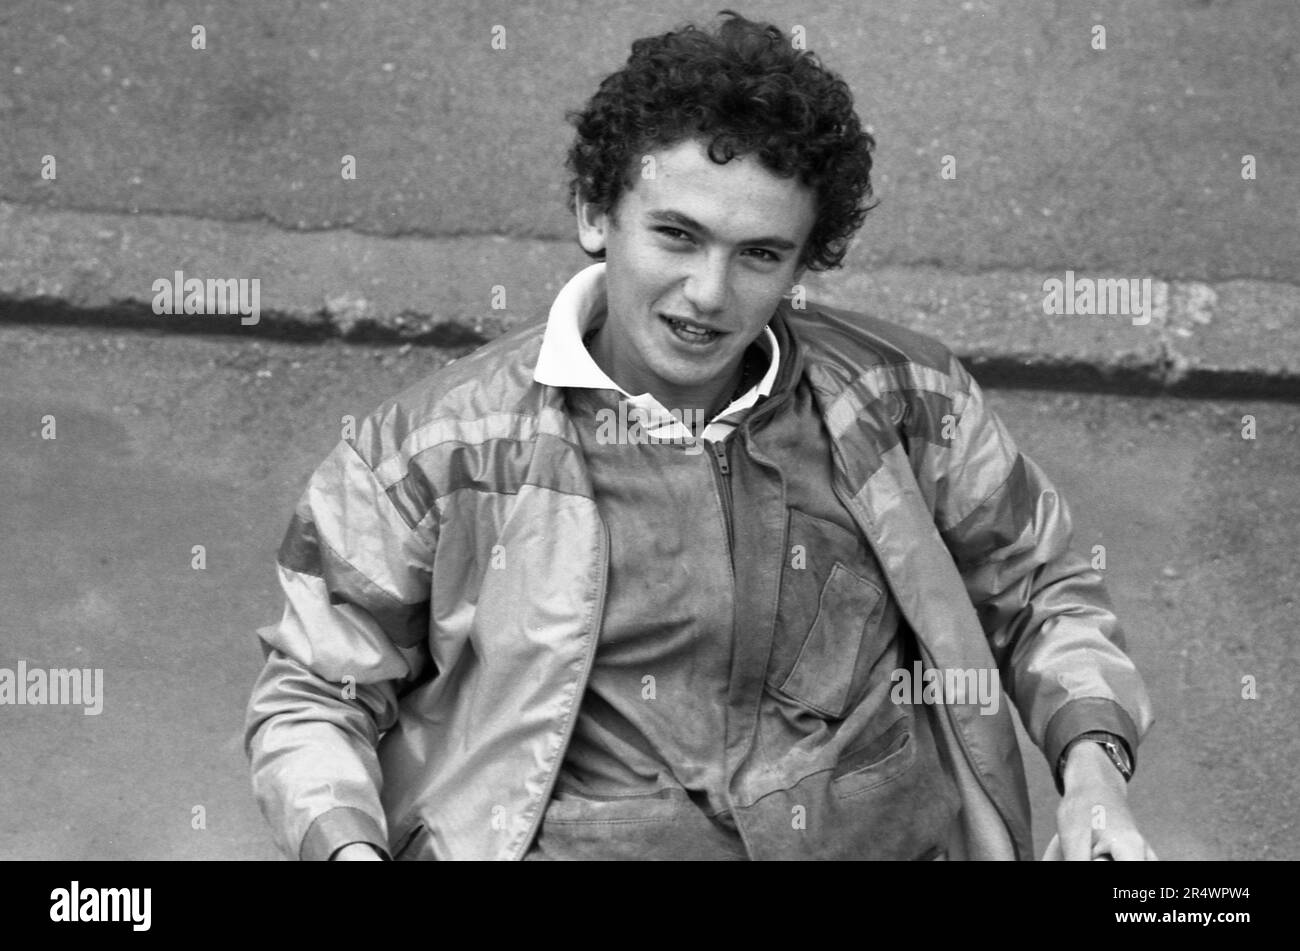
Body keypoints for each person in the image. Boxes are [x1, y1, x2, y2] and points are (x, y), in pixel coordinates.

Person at [244, 10, 1154, 861]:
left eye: (760, 253)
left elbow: (1042, 588)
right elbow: (314, 695)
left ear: (805, 261)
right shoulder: (432, 449)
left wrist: (1094, 775)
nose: (709, 295)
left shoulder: (903, 397)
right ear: (596, 216)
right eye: (677, 235)